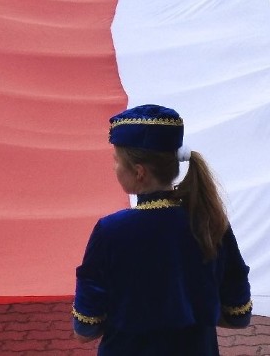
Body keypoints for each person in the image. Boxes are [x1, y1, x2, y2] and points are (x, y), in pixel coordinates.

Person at [72, 104, 252, 355]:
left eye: (116, 161)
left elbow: (86, 327)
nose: (114, 168)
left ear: (139, 172)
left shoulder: (111, 231)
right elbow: (239, 313)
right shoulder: (209, 221)